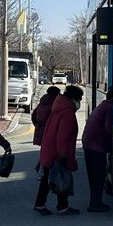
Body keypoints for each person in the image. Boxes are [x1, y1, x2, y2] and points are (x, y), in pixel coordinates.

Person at [34, 85, 84, 216]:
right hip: (58, 152)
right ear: (73, 98)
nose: (79, 103)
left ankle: (41, 204)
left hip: (50, 149)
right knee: (62, 178)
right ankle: (62, 206)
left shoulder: (58, 108)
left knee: (47, 178)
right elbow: (63, 135)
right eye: (79, 100)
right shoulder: (67, 112)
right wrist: (63, 154)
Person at [82, 88, 113, 212]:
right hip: (97, 145)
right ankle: (95, 203)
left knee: (93, 175)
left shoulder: (103, 105)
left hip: (89, 143)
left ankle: (94, 202)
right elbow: (109, 128)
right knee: (98, 175)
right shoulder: (110, 108)